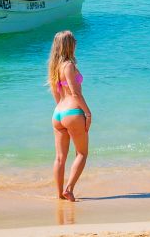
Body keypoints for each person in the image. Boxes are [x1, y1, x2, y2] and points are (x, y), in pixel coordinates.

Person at [47, 30, 91, 201]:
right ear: (69, 45)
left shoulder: (54, 67)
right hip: (73, 112)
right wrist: (87, 113)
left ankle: (59, 195)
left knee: (59, 157)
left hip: (58, 113)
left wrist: (63, 110)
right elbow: (75, 94)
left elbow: (57, 95)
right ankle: (69, 189)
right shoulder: (69, 66)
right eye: (74, 41)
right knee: (81, 153)